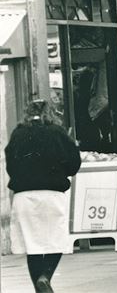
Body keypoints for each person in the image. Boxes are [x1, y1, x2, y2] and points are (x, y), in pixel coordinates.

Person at [5, 99, 81, 292]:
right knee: (56, 240)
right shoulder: (57, 132)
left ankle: (39, 286)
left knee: (32, 244)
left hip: (24, 196)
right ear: (51, 112)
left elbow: (10, 165)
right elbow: (74, 163)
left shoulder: (18, 133)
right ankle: (45, 276)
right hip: (52, 194)